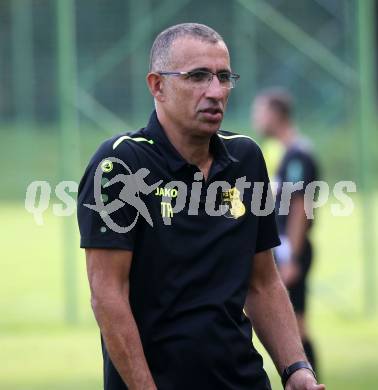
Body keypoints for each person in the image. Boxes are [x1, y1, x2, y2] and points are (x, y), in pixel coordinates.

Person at [77, 23, 325, 390]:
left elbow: (262, 282)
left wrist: (296, 368)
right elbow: (108, 297)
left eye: (223, 77)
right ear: (157, 86)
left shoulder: (246, 158)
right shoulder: (119, 166)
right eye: (197, 76)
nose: (215, 92)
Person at [252, 89, 320, 373]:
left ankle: (309, 379)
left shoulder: (297, 155)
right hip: (284, 249)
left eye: (261, 111)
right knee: (293, 324)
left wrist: (292, 257)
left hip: (291, 249)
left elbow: (300, 206)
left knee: (296, 326)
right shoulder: (282, 153)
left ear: (276, 115)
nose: (257, 118)